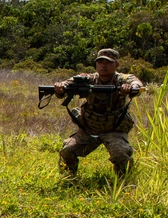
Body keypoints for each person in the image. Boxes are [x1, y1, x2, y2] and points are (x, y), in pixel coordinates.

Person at [55, 48, 144, 178]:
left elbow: (135, 82)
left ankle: (125, 182)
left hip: (114, 129)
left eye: (108, 62)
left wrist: (131, 88)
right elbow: (67, 84)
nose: (103, 65)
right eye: (100, 62)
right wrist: (60, 87)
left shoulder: (121, 79)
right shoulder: (88, 79)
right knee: (67, 150)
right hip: (89, 128)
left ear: (116, 65)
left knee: (121, 154)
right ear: (96, 64)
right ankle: (68, 178)